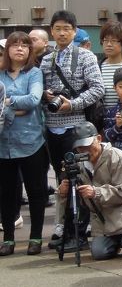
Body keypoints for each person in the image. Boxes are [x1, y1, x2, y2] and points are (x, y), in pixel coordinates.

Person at [40, 10, 104, 250]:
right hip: (52, 129)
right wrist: (46, 96)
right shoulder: (46, 59)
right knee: (62, 180)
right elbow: (43, 91)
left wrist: (72, 103)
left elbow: (97, 89)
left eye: (67, 28)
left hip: (77, 128)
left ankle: (79, 232)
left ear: (74, 31)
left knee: (81, 177)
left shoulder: (86, 56)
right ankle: (65, 230)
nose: (62, 33)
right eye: (57, 28)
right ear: (51, 31)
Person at [57, 121, 122, 259]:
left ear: (99, 139)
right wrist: (64, 193)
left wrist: (96, 192)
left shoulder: (118, 157)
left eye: (87, 145)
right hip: (102, 219)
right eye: (79, 148)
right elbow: (79, 203)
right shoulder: (77, 164)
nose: (84, 151)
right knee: (99, 254)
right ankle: (116, 240)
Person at [0, 32, 48, 256]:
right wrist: (17, 108)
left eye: (25, 45)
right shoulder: (1, 74)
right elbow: (25, 103)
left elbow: (34, 100)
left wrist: (7, 103)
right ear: (7, 49)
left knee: (36, 191)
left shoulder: (34, 73)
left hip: (31, 141)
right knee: (6, 193)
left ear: (30, 50)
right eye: (15, 45)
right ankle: (8, 238)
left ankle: (36, 237)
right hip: (3, 144)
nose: (20, 49)